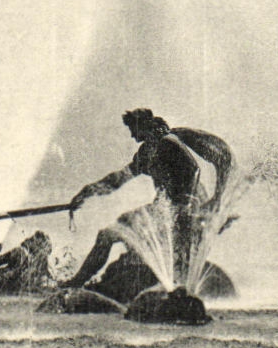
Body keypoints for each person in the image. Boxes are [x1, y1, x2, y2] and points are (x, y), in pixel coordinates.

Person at [61, 109, 207, 289]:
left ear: (144, 125)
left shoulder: (168, 142)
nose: (131, 135)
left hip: (181, 210)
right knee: (107, 235)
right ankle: (78, 282)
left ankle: (78, 283)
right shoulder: (147, 151)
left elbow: (194, 169)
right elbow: (119, 179)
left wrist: (184, 203)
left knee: (109, 235)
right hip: (165, 209)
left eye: (133, 129)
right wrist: (87, 193)